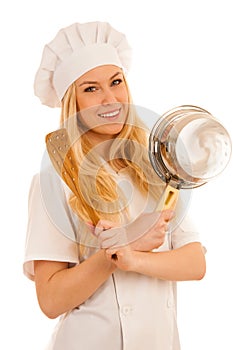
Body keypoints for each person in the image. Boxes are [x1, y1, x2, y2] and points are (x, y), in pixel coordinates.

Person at [23, 21, 206, 350]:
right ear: (73, 104)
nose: (110, 99)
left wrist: (132, 257)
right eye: (91, 89)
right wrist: (115, 252)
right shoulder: (54, 182)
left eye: (116, 82)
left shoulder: (157, 168)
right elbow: (50, 301)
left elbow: (195, 263)